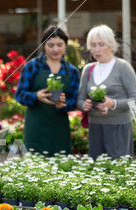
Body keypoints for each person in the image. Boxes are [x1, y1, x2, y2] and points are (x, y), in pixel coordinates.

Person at [77, 25, 136, 160]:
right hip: (95, 127)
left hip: (118, 127)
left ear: (112, 45)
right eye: (93, 45)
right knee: (97, 171)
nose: (96, 50)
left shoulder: (123, 67)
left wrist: (113, 103)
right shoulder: (88, 69)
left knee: (119, 170)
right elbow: (80, 99)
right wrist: (84, 105)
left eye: (101, 44)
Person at [15, 26, 80, 156]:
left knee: (61, 167)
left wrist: (64, 104)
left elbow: (74, 100)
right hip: (36, 127)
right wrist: (36, 96)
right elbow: (20, 95)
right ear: (44, 46)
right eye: (50, 45)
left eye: (59, 45)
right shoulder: (32, 66)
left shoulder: (72, 71)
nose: (55, 49)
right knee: (34, 167)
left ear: (65, 45)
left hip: (60, 127)